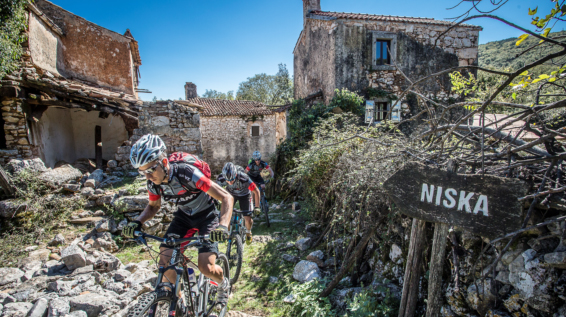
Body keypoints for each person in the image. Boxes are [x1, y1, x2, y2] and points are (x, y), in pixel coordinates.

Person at [122, 134, 234, 307]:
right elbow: (153, 207)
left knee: (206, 268)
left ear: (164, 163)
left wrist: (223, 226)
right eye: (142, 171)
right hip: (183, 218)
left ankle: (223, 283)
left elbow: (226, 197)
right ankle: (180, 304)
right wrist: (138, 222)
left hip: (207, 216)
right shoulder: (153, 183)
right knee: (165, 264)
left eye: (150, 169)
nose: (147, 176)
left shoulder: (187, 173)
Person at [217, 162, 261, 245]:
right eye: (228, 181)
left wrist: (257, 206)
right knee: (226, 216)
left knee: (247, 218)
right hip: (231, 194)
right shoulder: (220, 178)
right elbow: (216, 191)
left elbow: (256, 191)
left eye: (232, 180)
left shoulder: (244, 177)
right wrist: (217, 201)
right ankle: (227, 234)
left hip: (245, 195)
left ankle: (248, 232)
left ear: (236, 175)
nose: (230, 183)